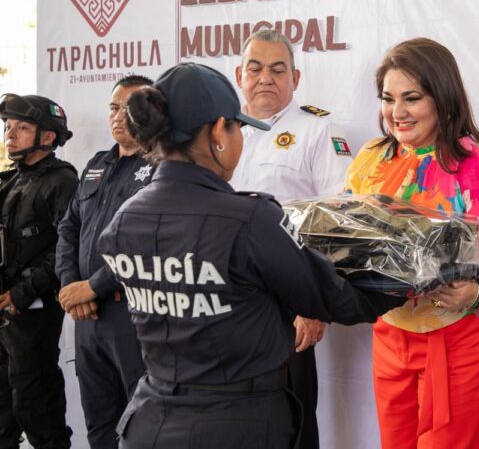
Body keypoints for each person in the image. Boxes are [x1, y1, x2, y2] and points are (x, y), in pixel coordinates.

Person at [92, 62, 406, 448]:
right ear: (217, 134)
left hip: (149, 423)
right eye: (238, 127)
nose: (241, 137)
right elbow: (339, 300)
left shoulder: (125, 220)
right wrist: (414, 274)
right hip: (236, 426)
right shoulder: (249, 219)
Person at [345, 38, 479, 448]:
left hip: (456, 338)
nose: (397, 113)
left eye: (412, 98)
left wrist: (475, 291)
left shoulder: (473, 163)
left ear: (442, 97)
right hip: (389, 331)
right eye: (388, 99)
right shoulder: (370, 158)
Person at [230, 29, 353, 449]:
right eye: (256, 68)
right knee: (234, 421)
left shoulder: (318, 130)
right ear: (239, 74)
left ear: (295, 79)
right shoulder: (221, 132)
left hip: (288, 304)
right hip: (226, 302)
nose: (266, 77)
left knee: (291, 422)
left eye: (277, 69)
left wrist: (311, 302)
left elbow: (337, 220)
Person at [56, 75, 154, 449]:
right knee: (99, 423)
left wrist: (93, 286)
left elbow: (148, 243)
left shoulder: (161, 167)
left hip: (133, 316)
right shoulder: (97, 164)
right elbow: (69, 228)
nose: (118, 117)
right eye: (113, 108)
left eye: (129, 109)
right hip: (88, 317)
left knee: (140, 424)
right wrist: (71, 285)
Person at [0, 93, 77, 449]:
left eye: (22, 127)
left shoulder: (62, 181)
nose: (10, 135)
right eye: (7, 127)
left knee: (37, 407)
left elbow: (66, 246)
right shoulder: (10, 181)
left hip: (33, 313)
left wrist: (22, 292)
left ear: (47, 137)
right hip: (6, 314)